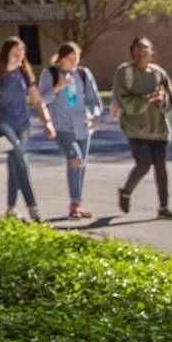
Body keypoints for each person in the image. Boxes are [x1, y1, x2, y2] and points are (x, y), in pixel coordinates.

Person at [0, 35, 56, 221]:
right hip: (2, 123)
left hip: (23, 124)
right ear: (5, 54)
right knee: (21, 160)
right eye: (15, 54)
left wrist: (48, 122)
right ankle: (33, 207)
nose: (19, 58)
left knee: (15, 165)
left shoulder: (24, 74)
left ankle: (10, 208)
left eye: (21, 55)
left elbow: (37, 100)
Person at [112, 36, 172, 219]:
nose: (142, 52)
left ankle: (163, 207)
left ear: (153, 52)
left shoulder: (159, 74)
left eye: (146, 49)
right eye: (138, 48)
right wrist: (147, 99)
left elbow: (171, 102)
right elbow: (123, 101)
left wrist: (161, 100)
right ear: (132, 51)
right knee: (143, 164)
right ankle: (126, 192)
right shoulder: (125, 72)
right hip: (135, 129)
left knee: (161, 168)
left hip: (159, 130)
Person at [37, 41, 104, 220]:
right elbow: (41, 99)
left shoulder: (83, 74)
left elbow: (93, 99)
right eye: (69, 59)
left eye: (76, 59)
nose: (73, 63)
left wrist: (95, 117)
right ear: (60, 59)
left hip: (82, 126)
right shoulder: (49, 73)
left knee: (81, 164)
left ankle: (77, 203)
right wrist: (59, 86)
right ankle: (74, 205)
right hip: (62, 126)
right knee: (75, 159)